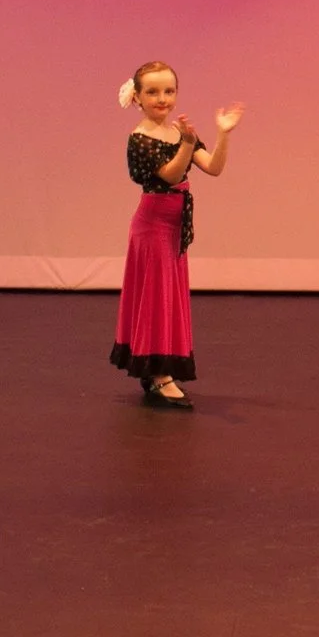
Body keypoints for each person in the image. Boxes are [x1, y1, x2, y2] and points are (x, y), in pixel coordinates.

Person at [114, 61, 241, 408]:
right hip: (152, 226)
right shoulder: (140, 138)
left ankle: (159, 368)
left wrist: (223, 133)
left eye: (169, 91)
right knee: (158, 296)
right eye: (153, 92)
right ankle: (159, 375)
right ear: (138, 98)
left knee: (168, 296)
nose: (162, 98)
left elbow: (213, 167)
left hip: (173, 227)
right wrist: (186, 143)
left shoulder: (178, 133)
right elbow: (171, 175)